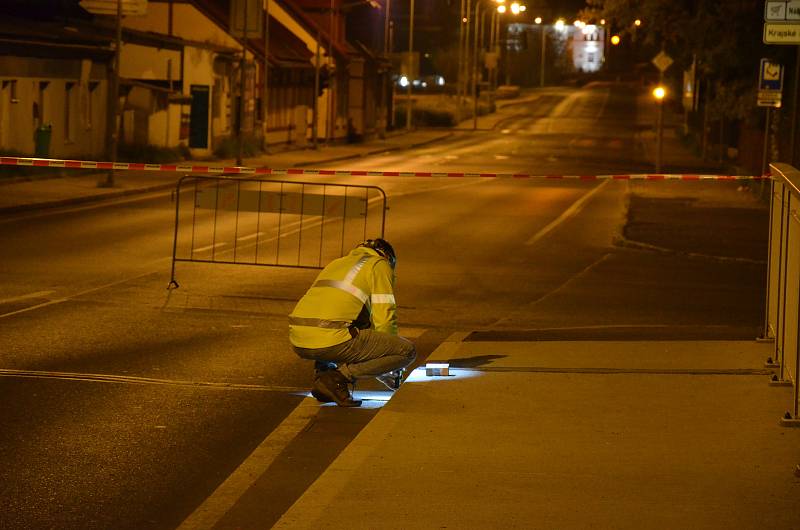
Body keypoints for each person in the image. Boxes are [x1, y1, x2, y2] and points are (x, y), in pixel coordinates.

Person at [289, 239, 416, 407]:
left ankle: (323, 374)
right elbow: (384, 316)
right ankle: (336, 378)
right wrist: (386, 360)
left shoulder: (338, 263)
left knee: (350, 324)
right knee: (406, 351)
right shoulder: (379, 264)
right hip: (330, 339)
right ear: (388, 258)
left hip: (299, 339)